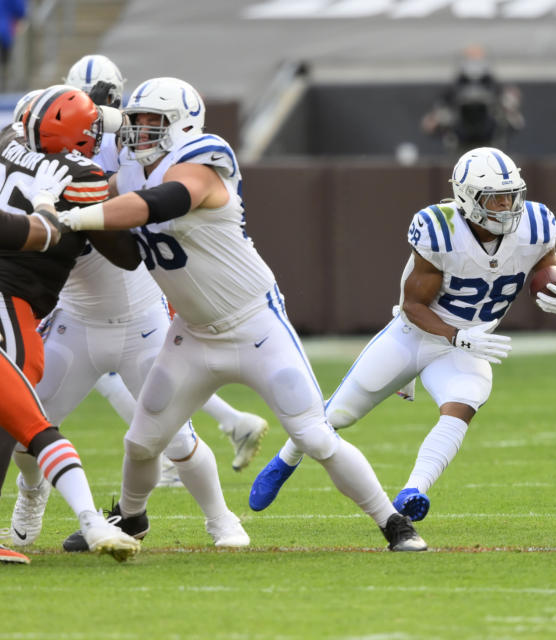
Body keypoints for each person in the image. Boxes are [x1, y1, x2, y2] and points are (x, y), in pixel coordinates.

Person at [56, 76, 427, 551]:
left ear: (183, 124)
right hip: (190, 333)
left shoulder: (205, 158)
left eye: (154, 121)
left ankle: (393, 522)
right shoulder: (128, 172)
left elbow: (166, 200)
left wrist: (85, 213)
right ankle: (130, 519)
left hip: (254, 324)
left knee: (314, 437)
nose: (140, 130)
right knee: (141, 441)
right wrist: (75, 204)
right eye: (136, 119)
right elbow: (129, 254)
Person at [248, 146, 556, 523]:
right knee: (337, 415)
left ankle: (414, 490)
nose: (508, 206)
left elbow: (547, 262)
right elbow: (413, 306)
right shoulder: (439, 230)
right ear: (467, 198)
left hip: (468, 344)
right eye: (496, 199)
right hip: (415, 336)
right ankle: (286, 459)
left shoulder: (536, 224)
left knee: (462, 406)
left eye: (512, 195)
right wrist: (457, 335)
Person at [6, 61, 253, 551]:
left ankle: (223, 520)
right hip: (75, 320)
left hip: (139, 319)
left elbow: (126, 254)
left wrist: (83, 211)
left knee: (175, 437)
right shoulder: (45, 150)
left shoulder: (119, 142)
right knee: (25, 429)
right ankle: (30, 497)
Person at [64, 54, 271, 481]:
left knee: (134, 363)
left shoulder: (165, 144)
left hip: (128, 256)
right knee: (137, 365)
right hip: (110, 251)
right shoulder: (116, 131)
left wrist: (81, 214)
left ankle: (185, 447)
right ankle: (223, 425)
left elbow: (143, 198)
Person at [0, 84, 144, 561]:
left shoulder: (5, 141)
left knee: (28, 421)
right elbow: (121, 254)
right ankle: (91, 521)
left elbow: (42, 126)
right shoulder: (80, 175)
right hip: (13, 305)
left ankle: (88, 520)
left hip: (21, 303)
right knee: (26, 422)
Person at [421, 46, 524, 153]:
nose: (474, 63)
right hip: (461, 142)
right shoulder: (455, 88)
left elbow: (516, 121)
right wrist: (438, 119)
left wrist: (509, 108)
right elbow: (431, 122)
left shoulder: (493, 86)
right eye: (471, 58)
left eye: (477, 58)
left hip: (490, 142)